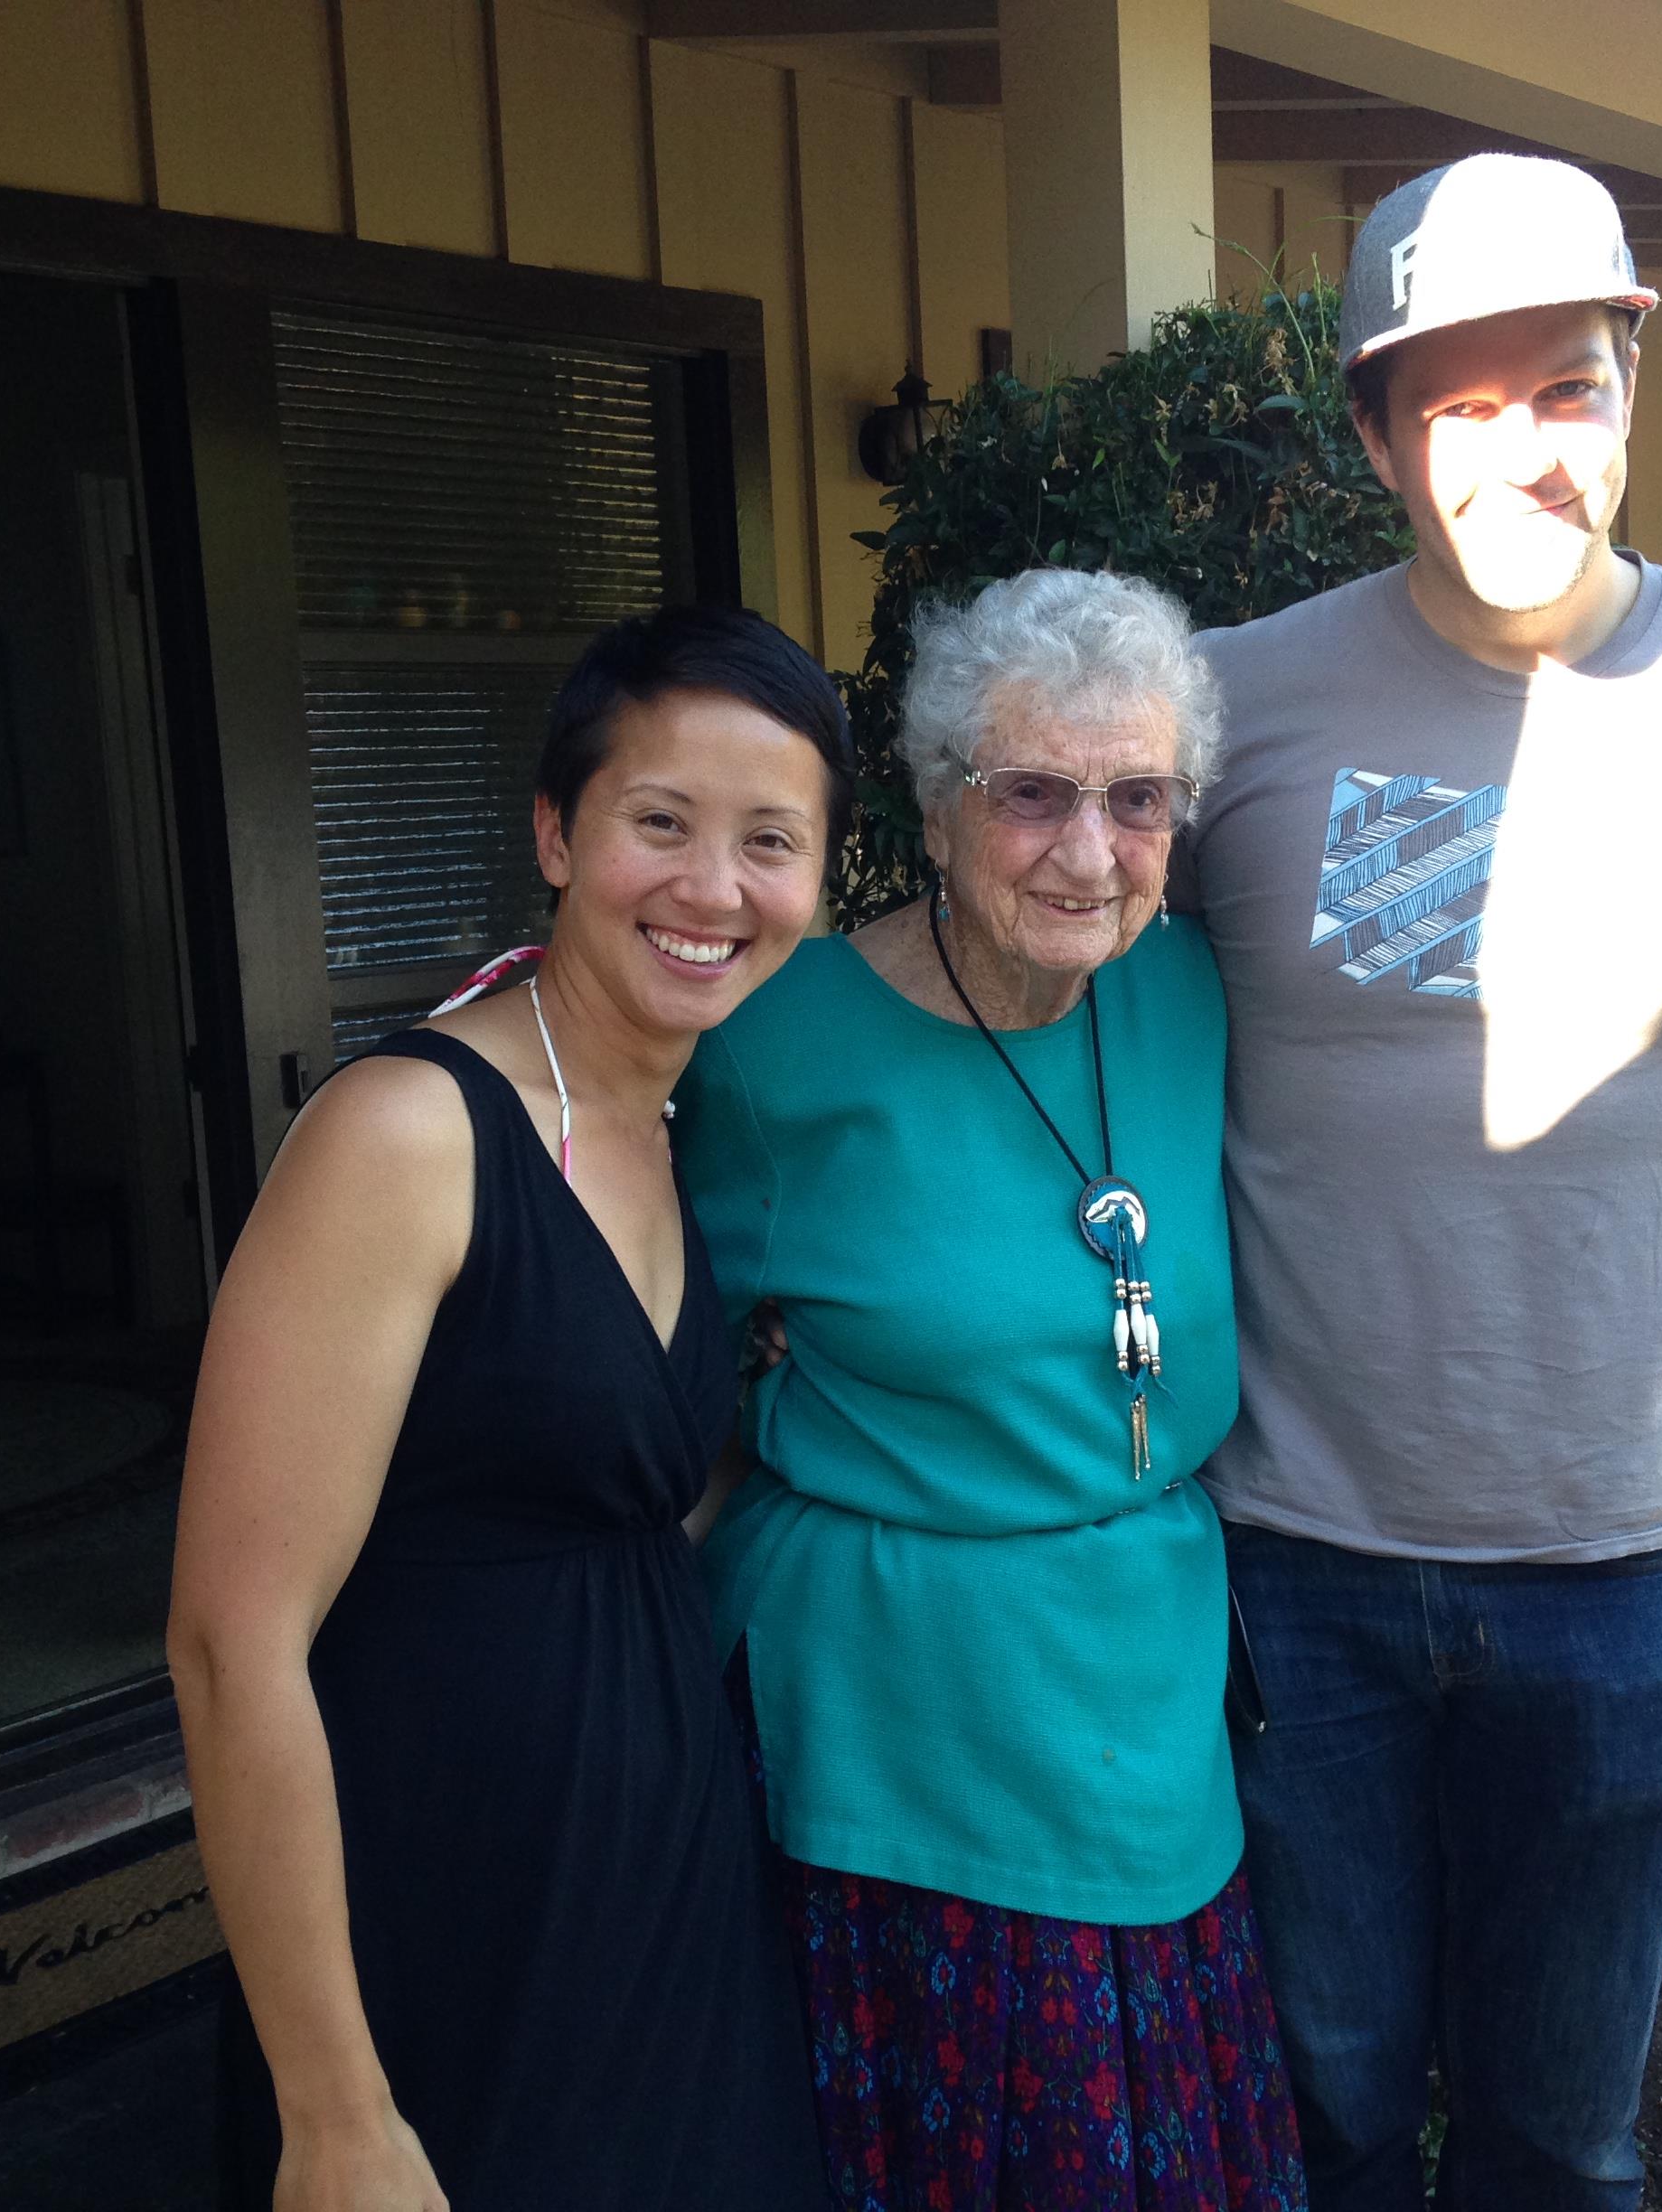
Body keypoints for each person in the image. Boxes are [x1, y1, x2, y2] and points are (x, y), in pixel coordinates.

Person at [1181, 155, 1662, 2210]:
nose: (1522, 452)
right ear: (1378, 434)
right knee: (1315, 2109)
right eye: (1460, 406)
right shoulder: (1233, 709)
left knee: (1559, 2140)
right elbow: (1077, 1040)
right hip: (1285, 1565)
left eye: (1566, 388)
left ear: (1633, 380)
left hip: (1619, 1566)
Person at [167, 605, 841, 2212]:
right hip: (445, 1899)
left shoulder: (680, 1126)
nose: (713, 888)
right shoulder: (408, 1134)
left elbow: (612, 1491)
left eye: (772, 842)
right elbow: (227, 1644)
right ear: (555, 830)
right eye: (657, 823)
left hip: (657, 1894)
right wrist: (333, 2109)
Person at [675, 568, 1308, 2212]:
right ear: (939, 810)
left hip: (1147, 1682)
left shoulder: (1189, 993)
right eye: (1031, 792)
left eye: (1137, 797)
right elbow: (663, 1378)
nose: (1089, 852)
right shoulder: (769, 1049)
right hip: (898, 1728)